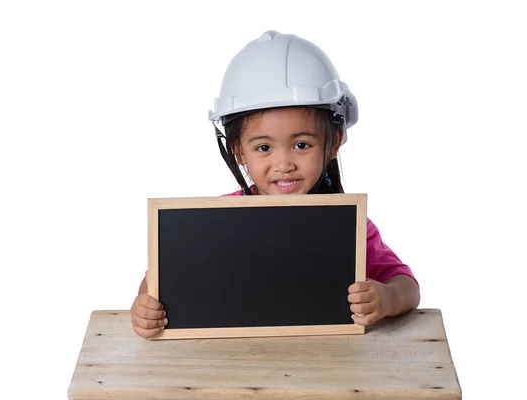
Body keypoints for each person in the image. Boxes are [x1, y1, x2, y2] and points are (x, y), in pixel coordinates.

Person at [131, 31, 420, 338]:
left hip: (323, 367)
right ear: (239, 150)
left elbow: (406, 286)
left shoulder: (349, 224)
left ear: (333, 142)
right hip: (230, 365)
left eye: (302, 145)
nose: (284, 165)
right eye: (264, 148)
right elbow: (158, 281)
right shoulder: (216, 219)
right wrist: (144, 308)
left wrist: (387, 298)